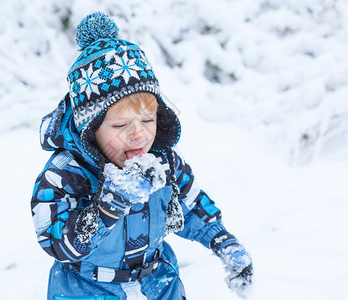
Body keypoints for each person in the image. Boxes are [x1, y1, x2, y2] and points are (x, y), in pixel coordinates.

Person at [31, 12, 253, 300]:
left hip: (158, 283)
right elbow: (57, 243)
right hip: (87, 289)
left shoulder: (164, 162)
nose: (138, 135)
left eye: (148, 120)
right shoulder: (66, 175)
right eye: (121, 125)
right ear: (91, 128)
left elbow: (190, 204)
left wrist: (222, 241)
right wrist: (109, 207)